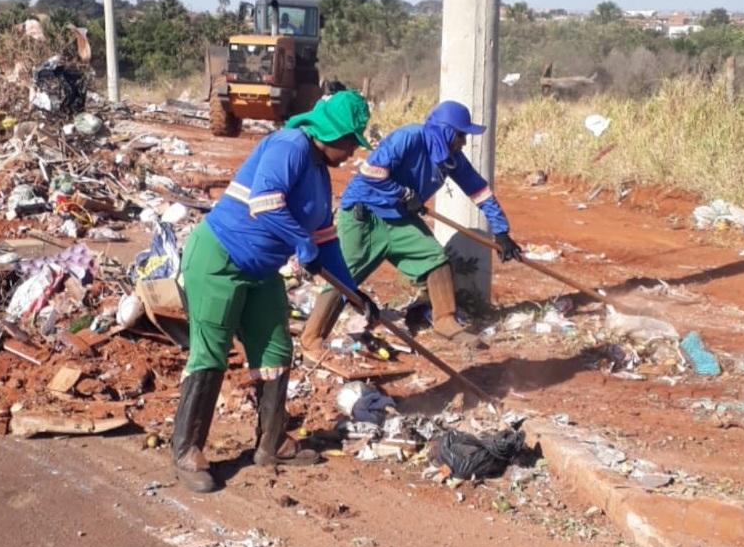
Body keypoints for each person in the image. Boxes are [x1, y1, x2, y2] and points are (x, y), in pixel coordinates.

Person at [171, 90, 379, 493]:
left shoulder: (319, 173)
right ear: (331, 132)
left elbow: (325, 239)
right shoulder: (290, 145)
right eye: (351, 141)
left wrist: (356, 294)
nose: (353, 151)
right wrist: (302, 244)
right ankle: (187, 450)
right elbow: (265, 202)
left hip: (262, 272)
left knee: (275, 353)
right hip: (220, 262)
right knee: (211, 354)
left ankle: (271, 444)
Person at [300, 99, 523, 353]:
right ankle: (312, 339)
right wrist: (405, 193)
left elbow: (480, 191)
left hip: (400, 218)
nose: (463, 142)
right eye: (460, 135)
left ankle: (445, 321)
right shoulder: (408, 137)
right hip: (366, 215)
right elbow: (371, 172)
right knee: (343, 278)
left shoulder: (452, 159)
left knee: (435, 260)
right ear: (446, 131)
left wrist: (502, 231)